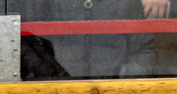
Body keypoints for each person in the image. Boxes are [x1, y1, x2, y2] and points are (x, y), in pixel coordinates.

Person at [17, 0, 164, 78]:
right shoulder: (45, 2)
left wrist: (121, 84)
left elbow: (143, 50)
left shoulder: (127, 2)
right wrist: (57, 81)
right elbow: (28, 43)